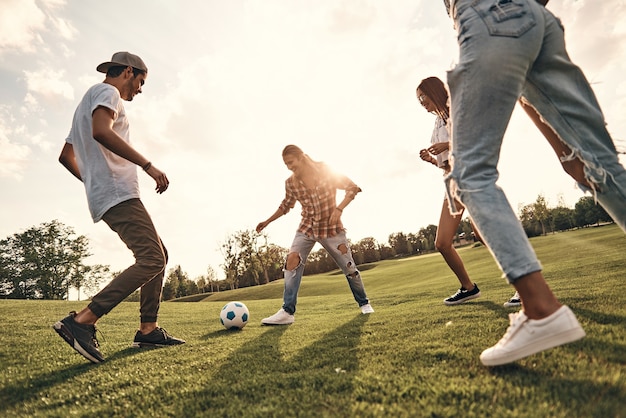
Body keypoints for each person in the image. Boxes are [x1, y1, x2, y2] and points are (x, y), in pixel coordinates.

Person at [442, 0, 626, 366]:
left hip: (485, 16)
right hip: (537, 17)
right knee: (598, 162)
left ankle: (541, 309)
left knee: (470, 175)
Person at [54, 52, 185, 363]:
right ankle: (83, 320)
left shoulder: (85, 102)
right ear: (128, 71)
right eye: (141, 81)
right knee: (152, 257)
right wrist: (148, 165)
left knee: (159, 255)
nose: (140, 89)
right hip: (118, 192)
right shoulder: (108, 92)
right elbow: (102, 131)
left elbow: (65, 155)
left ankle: (148, 330)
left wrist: (93, 180)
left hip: (106, 191)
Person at [416, 76, 520, 307]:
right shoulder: (437, 124)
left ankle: (522, 287)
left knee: (485, 235)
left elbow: (476, 140)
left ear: (435, 92)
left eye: (423, 97)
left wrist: (448, 145)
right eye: (419, 100)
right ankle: (468, 288)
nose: (422, 102)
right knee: (442, 243)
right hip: (451, 184)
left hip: (469, 179)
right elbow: (445, 164)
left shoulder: (458, 111)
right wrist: (432, 159)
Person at [256, 145, 374, 325]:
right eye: (286, 164)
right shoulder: (291, 183)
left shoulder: (326, 170)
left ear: (301, 157)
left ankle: (364, 303)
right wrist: (267, 221)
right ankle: (287, 311)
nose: (289, 167)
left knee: (349, 268)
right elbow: (286, 205)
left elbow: (352, 188)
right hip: (307, 227)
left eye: (291, 162)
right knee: (292, 261)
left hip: (331, 228)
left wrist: (339, 209)